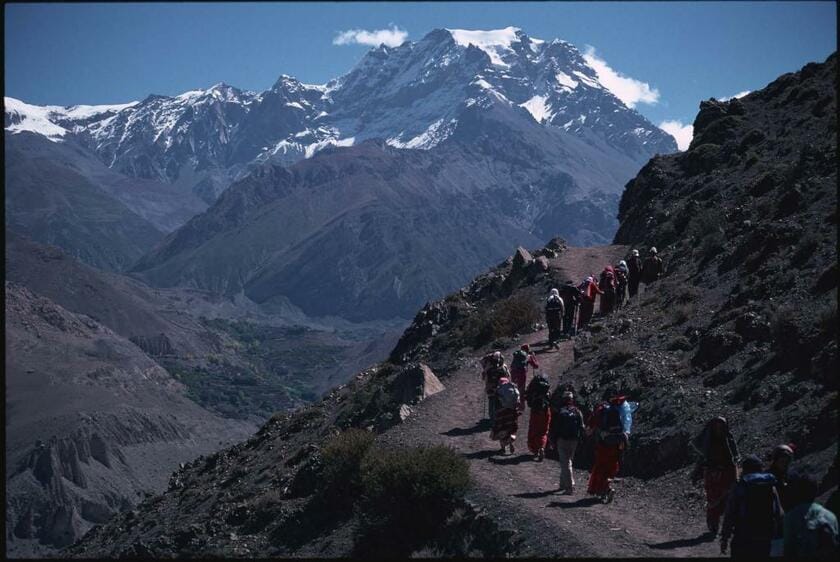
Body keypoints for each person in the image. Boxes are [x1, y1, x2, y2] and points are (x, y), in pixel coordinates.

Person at [720, 455, 783, 559]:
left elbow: (729, 514)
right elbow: (779, 513)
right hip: (766, 536)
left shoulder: (740, 486)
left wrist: (724, 539)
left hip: (743, 536)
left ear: (744, 470)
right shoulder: (770, 485)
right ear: (760, 469)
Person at [691, 416, 740, 535]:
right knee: (713, 497)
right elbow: (702, 458)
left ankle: (731, 523)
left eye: (721, 426)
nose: (719, 429)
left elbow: (734, 456)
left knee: (730, 496)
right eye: (717, 426)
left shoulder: (728, 439)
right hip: (712, 472)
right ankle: (713, 523)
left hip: (728, 471)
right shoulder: (708, 442)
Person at [783, 471, 839, 559]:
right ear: (816, 491)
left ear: (797, 491)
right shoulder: (831, 516)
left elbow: (788, 549)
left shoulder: (791, 517)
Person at [586, 393, 629, 504]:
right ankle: (605, 488)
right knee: (612, 467)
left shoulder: (601, 410)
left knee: (601, 467)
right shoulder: (621, 409)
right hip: (617, 443)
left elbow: (590, 428)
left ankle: (605, 489)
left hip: (604, 444)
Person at [549, 390, 585, 495]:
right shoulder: (577, 411)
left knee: (566, 463)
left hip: (562, 440)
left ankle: (569, 487)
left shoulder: (560, 412)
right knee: (567, 462)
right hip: (574, 440)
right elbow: (582, 427)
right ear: (572, 400)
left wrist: (552, 441)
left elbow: (554, 427)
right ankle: (562, 484)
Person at [525, 372, 552, 461]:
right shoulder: (547, 390)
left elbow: (527, 397)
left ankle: (535, 449)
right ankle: (542, 447)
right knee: (543, 431)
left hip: (535, 411)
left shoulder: (534, 389)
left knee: (534, 429)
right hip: (546, 411)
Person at [491, 377, 521, 455]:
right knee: (510, 428)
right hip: (511, 412)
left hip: (501, 414)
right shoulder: (512, 388)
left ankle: (503, 448)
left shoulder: (498, 391)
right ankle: (511, 443)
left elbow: (495, 405)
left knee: (501, 429)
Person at [481, 352, 509, 422]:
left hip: (490, 386)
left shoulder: (488, 367)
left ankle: (492, 417)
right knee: (499, 401)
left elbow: (483, 377)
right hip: (500, 387)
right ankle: (498, 417)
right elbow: (508, 375)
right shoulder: (503, 366)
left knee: (491, 401)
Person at [510, 344, 539, 410]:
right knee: (521, 391)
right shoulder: (528, 356)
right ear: (527, 350)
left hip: (513, 373)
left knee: (514, 390)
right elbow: (536, 366)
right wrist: (534, 357)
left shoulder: (517, 355)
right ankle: (521, 407)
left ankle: (513, 406)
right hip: (521, 375)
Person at [768, 443, 796, 510]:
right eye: (782, 461)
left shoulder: (793, 476)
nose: (785, 464)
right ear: (775, 460)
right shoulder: (768, 477)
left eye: (787, 461)